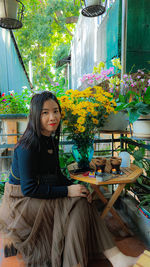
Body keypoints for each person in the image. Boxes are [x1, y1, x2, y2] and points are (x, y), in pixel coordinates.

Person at [0, 91, 140, 267]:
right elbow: (29, 189)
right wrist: (68, 191)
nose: (53, 117)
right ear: (36, 115)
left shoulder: (49, 140)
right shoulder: (27, 146)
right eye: (45, 112)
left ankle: (81, 262)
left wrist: (77, 187)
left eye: (56, 111)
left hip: (37, 194)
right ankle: (107, 259)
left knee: (82, 200)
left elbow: (57, 175)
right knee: (79, 203)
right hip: (22, 202)